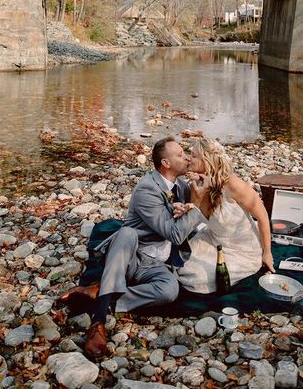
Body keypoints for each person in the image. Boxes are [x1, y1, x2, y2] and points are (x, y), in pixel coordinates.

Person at [60, 136, 210, 357]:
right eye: (180, 155)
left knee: (170, 291)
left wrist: (195, 199)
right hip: (131, 254)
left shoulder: (179, 186)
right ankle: (98, 321)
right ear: (165, 163)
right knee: (126, 233)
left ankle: (105, 294)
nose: (186, 157)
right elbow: (175, 234)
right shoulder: (147, 189)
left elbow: (190, 217)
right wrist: (195, 205)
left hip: (157, 261)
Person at [175, 138, 274, 293]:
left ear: (207, 160)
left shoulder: (234, 185)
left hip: (242, 249)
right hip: (213, 238)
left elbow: (262, 217)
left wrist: (267, 253)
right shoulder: (196, 184)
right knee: (180, 263)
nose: (188, 158)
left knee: (197, 276)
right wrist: (186, 206)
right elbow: (195, 216)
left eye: (193, 155)